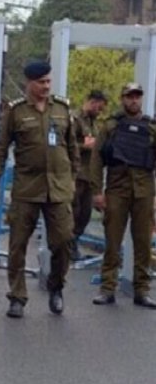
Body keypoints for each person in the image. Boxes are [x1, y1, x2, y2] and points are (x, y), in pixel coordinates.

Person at [0, 62, 78, 319]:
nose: (46, 86)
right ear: (29, 83)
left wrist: (72, 179)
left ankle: (56, 287)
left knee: (62, 241)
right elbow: (0, 149)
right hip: (26, 189)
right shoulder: (16, 112)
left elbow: (72, 148)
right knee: (17, 244)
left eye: (48, 82)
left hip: (58, 189)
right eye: (41, 82)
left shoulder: (62, 110)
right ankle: (17, 297)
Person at [90, 83, 156, 308]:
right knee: (112, 241)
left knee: (143, 243)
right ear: (122, 99)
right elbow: (97, 159)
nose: (134, 100)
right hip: (117, 189)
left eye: (137, 96)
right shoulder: (111, 126)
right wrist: (97, 191)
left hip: (144, 191)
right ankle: (107, 288)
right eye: (130, 96)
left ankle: (142, 290)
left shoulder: (151, 128)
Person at [70, 90, 107, 261]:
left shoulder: (94, 124)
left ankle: (74, 242)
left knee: (85, 214)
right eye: (98, 108)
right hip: (76, 174)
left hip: (89, 176)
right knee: (73, 212)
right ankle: (68, 246)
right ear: (92, 102)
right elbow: (68, 145)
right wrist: (87, 146)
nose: (99, 112)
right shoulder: (75, 119)